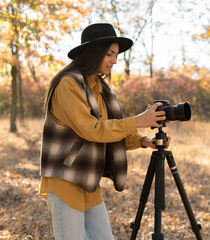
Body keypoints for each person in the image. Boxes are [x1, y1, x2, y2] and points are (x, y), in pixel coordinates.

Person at [38, 23, 167, 239]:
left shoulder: (98, 87)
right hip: (65, 180)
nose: (115, 61)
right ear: (93, 52)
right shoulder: (68, 84)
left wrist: (144, 140)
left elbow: (109, 133)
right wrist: (138, 121)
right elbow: (93, 130)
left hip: (88, 180)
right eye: (110, 54)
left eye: (116, 55)